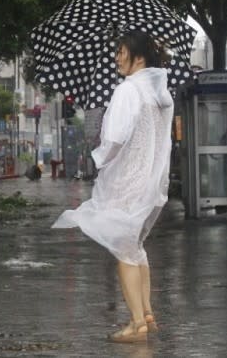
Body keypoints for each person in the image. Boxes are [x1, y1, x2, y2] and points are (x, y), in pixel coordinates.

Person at [53, 30, 174, 343]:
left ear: (139, 56)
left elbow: (115, 139)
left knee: (123, 250)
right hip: (151, 182)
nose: (116, 57)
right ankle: (146, 311)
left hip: (126, 182)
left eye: (122, 51)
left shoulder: (128, 91)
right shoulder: (161, 94)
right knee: (135, 247)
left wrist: (99, 157)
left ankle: (136, 323)